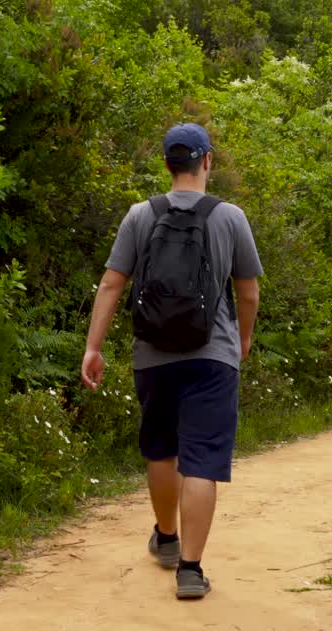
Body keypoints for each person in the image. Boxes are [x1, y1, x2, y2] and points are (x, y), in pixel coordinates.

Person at [80, 122, 262, 600]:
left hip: (153, 355)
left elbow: (112, 284)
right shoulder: (230, 217)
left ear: (166, 163)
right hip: (212, 357)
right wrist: (242, 340)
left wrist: (93, 347)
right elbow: (248, 291)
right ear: (207, 161)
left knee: (162, 448)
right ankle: (190, 570)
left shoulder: (141, 214)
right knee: (202, 458)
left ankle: (165, 537)